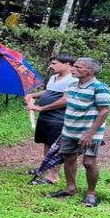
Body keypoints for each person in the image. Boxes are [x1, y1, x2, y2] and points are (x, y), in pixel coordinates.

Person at [46, 57, 110, 207]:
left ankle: (91, 194)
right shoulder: (72, 84)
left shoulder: (99, 87)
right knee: (69, 158)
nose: (73, 69)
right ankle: (70, 188)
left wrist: (90, 133)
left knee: (89, 162)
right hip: (70, 130)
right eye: (74, 66)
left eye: (78, 67)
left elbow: (104, 111)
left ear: (90, 71)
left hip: (90, 132)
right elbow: (67, 101)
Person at [25, 54, 77, 184]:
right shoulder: (54, 77)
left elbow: (65, 100)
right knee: (47, 143)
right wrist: (33, 95)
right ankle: (46, 168)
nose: (50, 66)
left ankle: (53, 176)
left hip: (58, 118)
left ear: (68, 65)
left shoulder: (73, 80)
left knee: (57, 146)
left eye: (54, 63)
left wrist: (42, 108)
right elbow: (48, 92)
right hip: (46, 118)